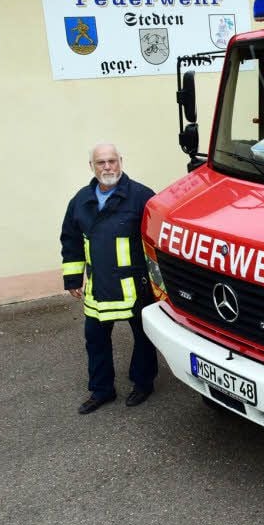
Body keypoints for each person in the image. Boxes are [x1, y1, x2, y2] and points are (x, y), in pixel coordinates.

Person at [60, 143, 158, 414]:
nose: (107, 167)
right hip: (98, 288)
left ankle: (143, 384)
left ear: (121, 162)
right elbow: (71, 240)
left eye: (112, 161)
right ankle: (102, 390)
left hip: (135, 287)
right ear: (91, 167)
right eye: (101, 162)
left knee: (144, 337)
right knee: (95, 339)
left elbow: (155, 240)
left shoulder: (141, 196)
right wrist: (72, 279)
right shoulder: (80, 200)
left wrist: (159, 282)